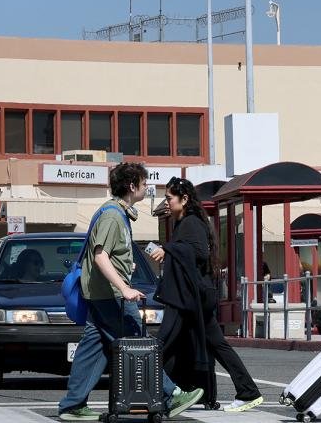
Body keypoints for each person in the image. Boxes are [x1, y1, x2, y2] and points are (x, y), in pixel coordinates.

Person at [57, 163, 202, 422]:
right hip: (111, 295)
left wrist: (127, 266)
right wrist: (124, 287)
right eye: (144, 184)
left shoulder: (116, 213)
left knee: (93, 348)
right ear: (132, 186)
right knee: (140, 343)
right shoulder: (113, 216)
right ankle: (171, 395)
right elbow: (100, 255)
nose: (147, 187)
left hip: (102, 294)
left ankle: (72, 405)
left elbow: (108, 254)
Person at [154, 177, 263, 413]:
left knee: (161, 346)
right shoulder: (186, 222)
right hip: (191, 296)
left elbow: (199, 252)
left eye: (169, 198)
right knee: (214, 346)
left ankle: (165, 395)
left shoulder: (191, 223)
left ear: (184, 199)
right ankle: (247, 391)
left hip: (189, 298)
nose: (167, 202)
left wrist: (168, 249)